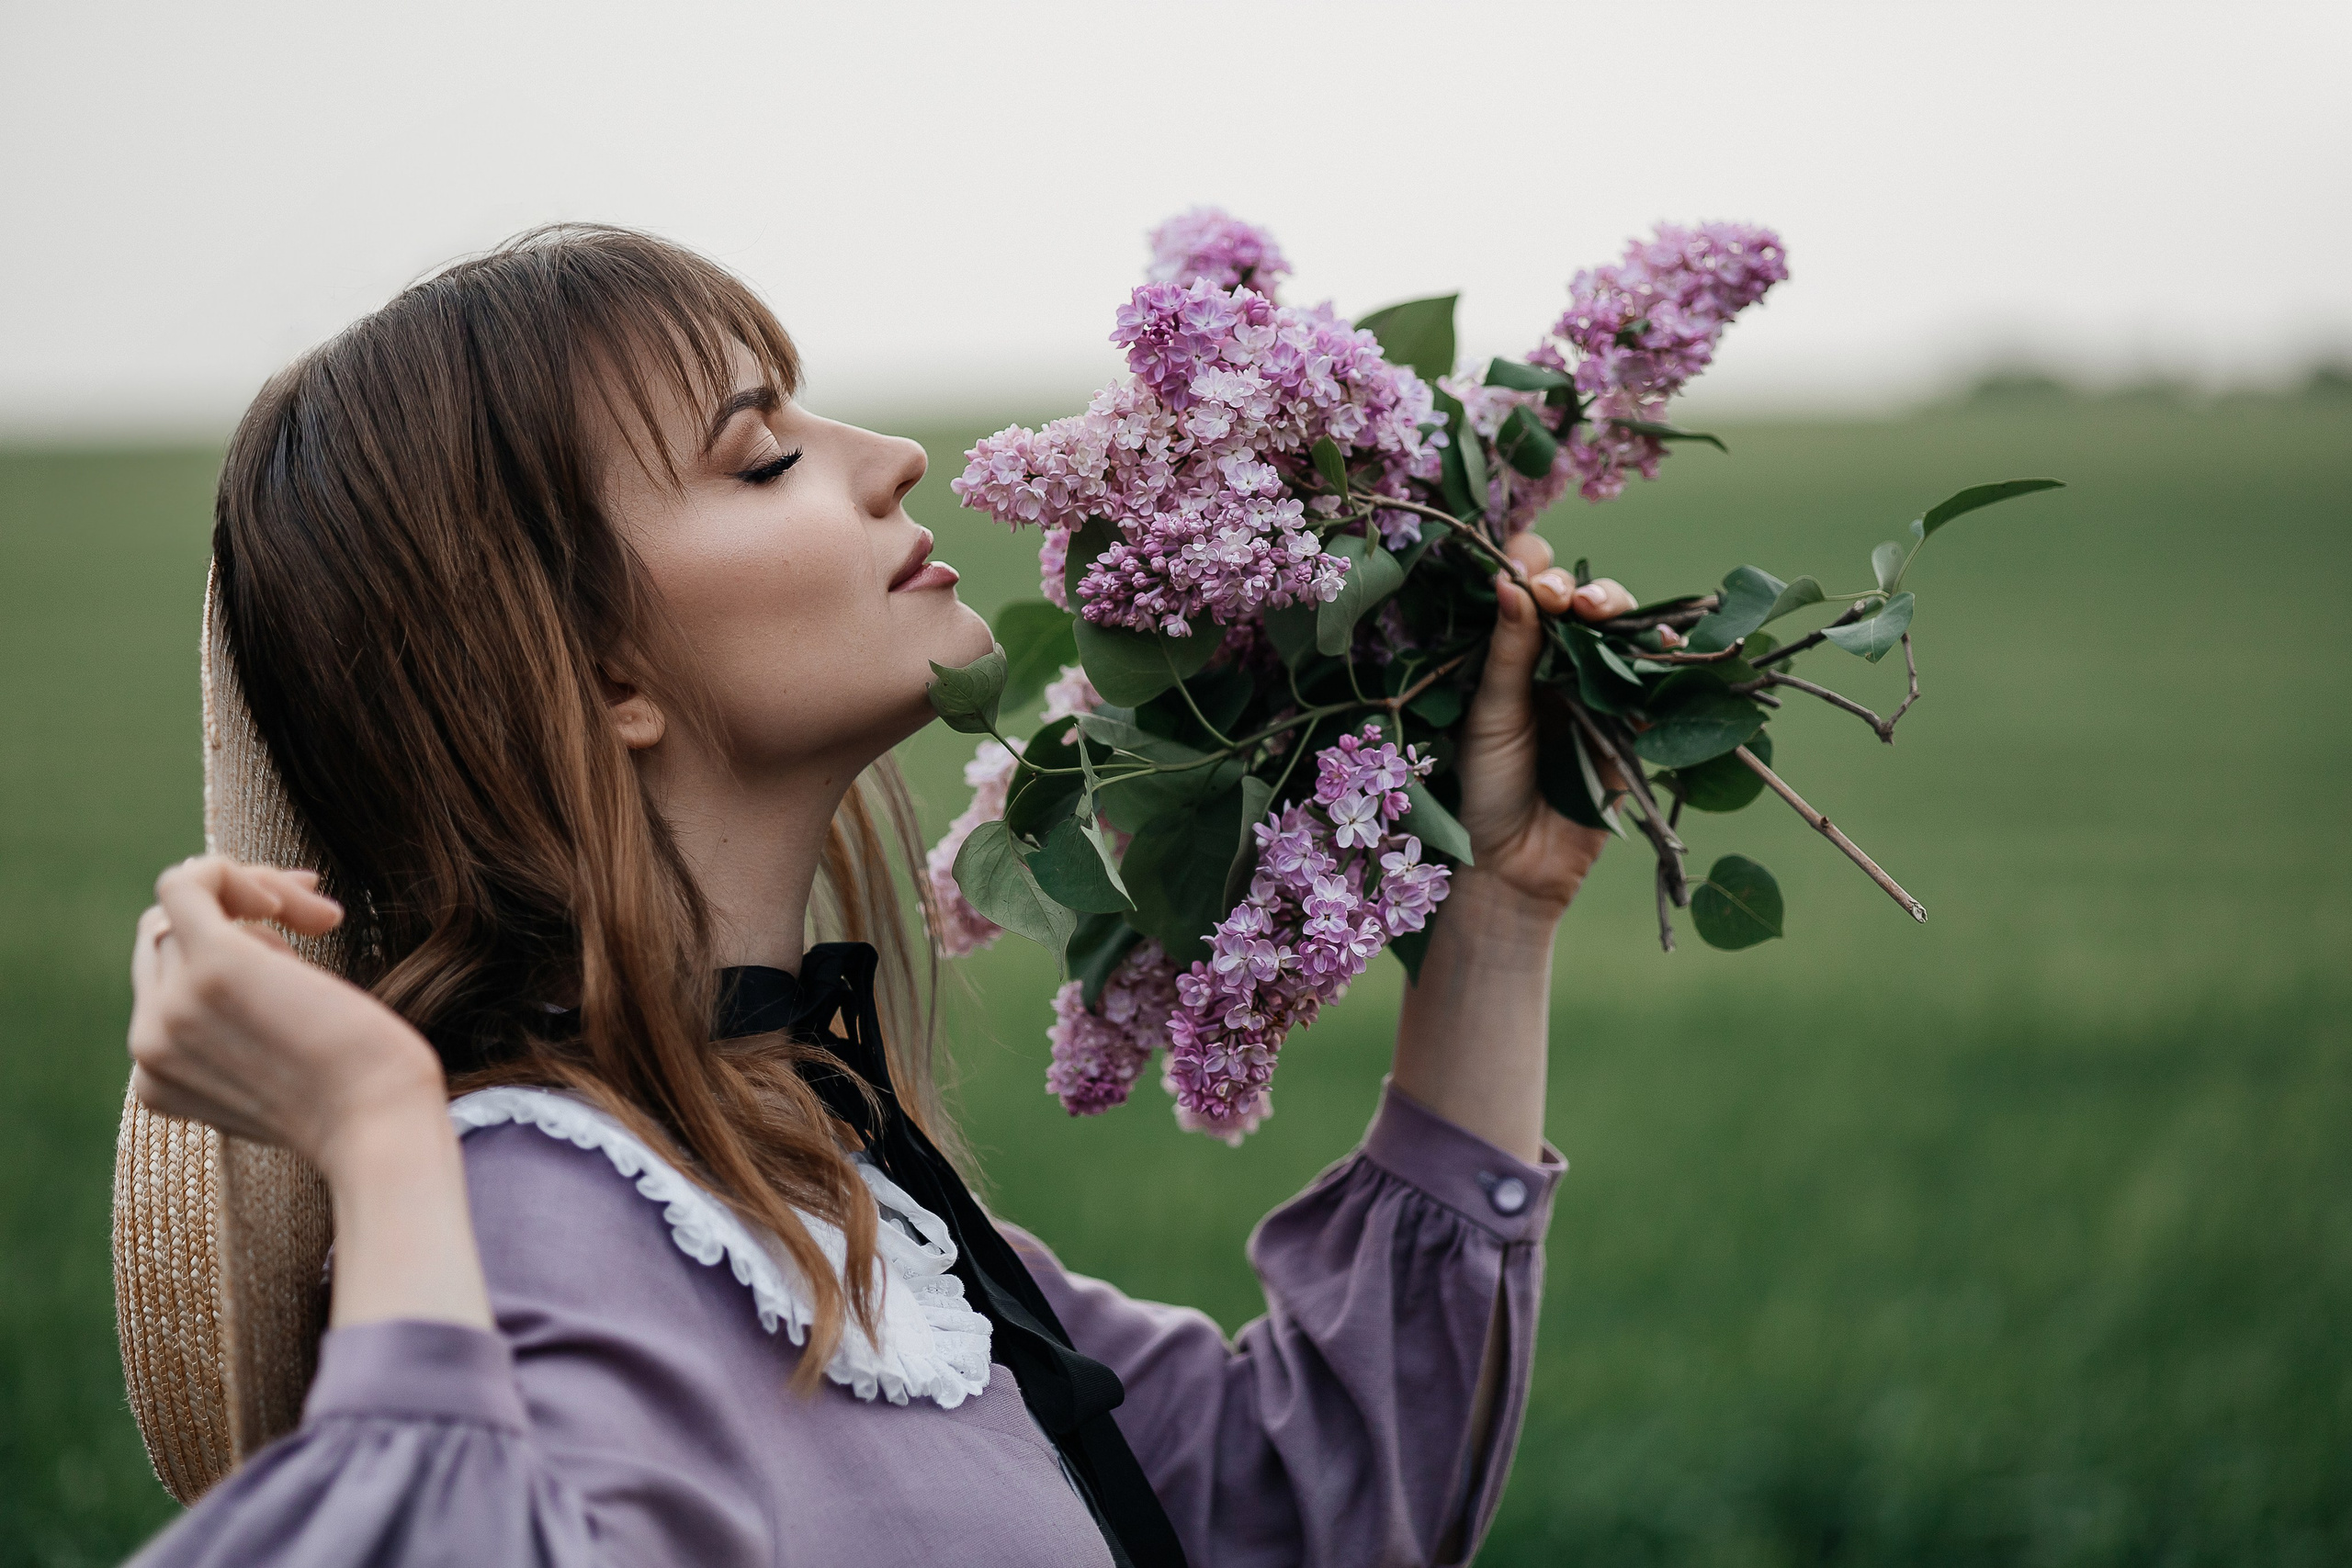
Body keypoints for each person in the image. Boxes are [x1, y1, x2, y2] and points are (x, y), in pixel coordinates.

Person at [120, 225, 1634, 1567]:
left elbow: (1288, 1508)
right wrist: (383, 1138)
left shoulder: (816, 1180)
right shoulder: (536, 1212)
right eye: (761, 457)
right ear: (598, 672)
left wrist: (1494, 918)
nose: (894, 454)